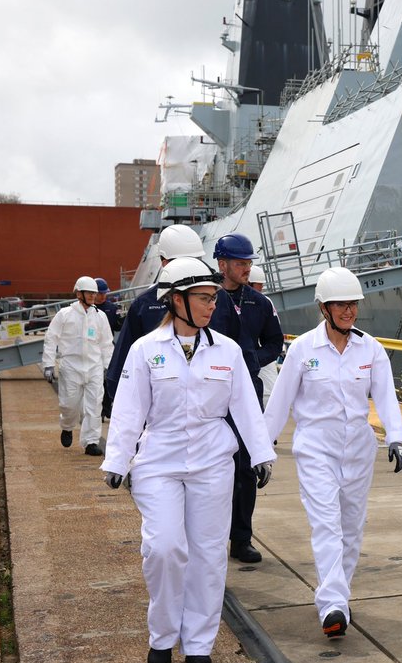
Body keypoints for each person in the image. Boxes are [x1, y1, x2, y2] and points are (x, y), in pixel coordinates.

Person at [100, 257, 276, 663]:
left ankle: (198, 642)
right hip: (158, 461)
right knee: (164, 548)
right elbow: (128, 411)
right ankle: (162, 635)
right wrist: (117, 460)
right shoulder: (146, 351)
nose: (210, 305)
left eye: (213, 297)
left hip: (213, 462)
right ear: (175, 300)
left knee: (208, 554)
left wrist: (261, 454)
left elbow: (246, 408)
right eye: (202, 297)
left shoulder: (227, 350)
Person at [264, 266, 402, 639]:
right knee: (326, 524)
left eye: (353, 304)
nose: (349, 311)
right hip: (316, 448)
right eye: (341, 304)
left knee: (351, 528)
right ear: (324, 308)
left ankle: (338, 597)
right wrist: (262, 450)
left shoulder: (370, 349)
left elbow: (387, 398)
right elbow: (279, 404)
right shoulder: (302, 350)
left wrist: (397, 438)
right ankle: (331, 604)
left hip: (359, 449)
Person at [208, 233, 284, 563]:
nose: (247, 268)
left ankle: (241, 539)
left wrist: (251, 359)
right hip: (210, 396)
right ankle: (207, 541)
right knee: (209, 468)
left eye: (249, 263)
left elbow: (274, 342)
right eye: (241, 263)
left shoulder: (259, 303)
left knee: (245, 468)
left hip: (247, 395)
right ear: (222, 264)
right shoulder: (205, 298)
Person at [103, 224, 207, 419]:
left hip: (206, 415)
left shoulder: (220, 301)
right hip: (161, 415)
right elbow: (122, 367)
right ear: (165, 263)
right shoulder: (145, 305)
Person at [41, 276, 114, 455]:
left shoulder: (100, 316)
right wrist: (48, 364)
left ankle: (90, 442)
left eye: (94, 293)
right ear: (78, 293)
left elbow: (106, 343)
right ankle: (67, 426)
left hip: (94, 367)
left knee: (94, 406)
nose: (92, 296)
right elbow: (51, 338)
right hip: (71, 367)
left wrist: (108, 366)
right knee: (69, 405)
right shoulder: (65, 315)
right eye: (89, 292)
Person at [247, 264, 279, 408]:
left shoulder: (264, 302)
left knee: (271, 395)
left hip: (262, 357)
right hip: (250, 356)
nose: (261, 290)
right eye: (258, 286)